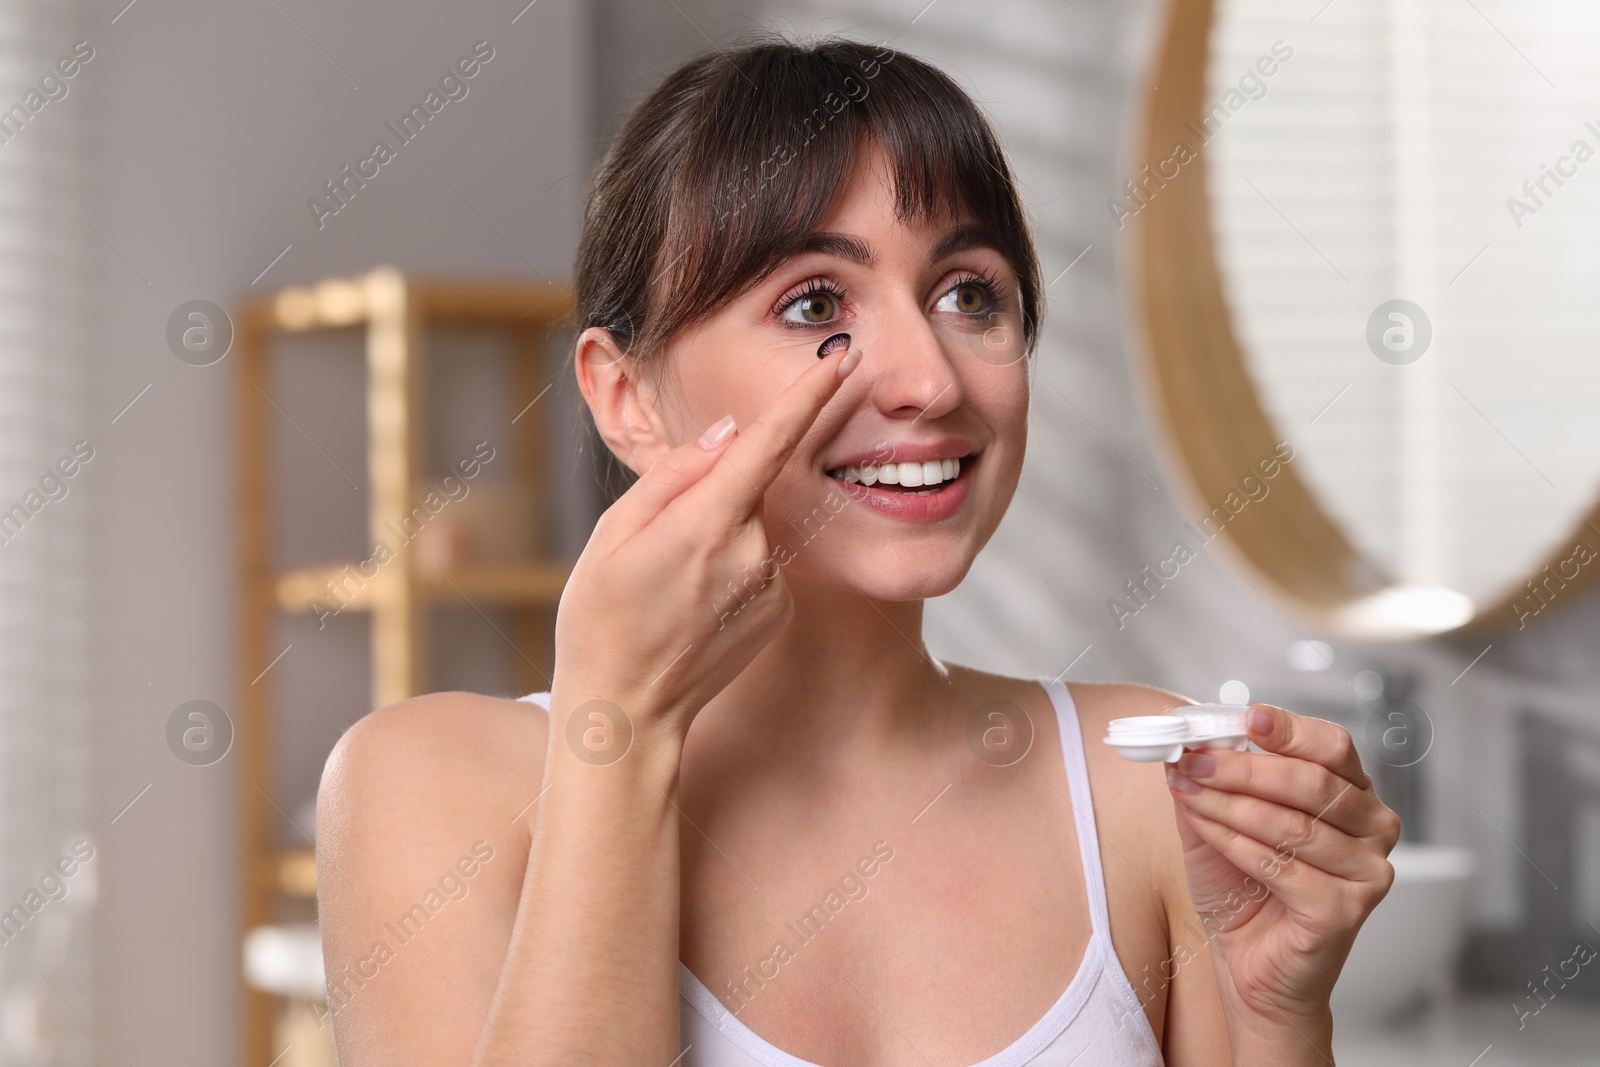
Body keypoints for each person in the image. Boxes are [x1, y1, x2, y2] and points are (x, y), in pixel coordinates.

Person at [315, 31, 1399, 1066]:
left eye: (968, 292)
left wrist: (1274, 1012)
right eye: (816, 301)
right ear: (624, 394)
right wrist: (622, 730)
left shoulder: (1142, 789)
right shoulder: (435, 790)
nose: (929, 378)